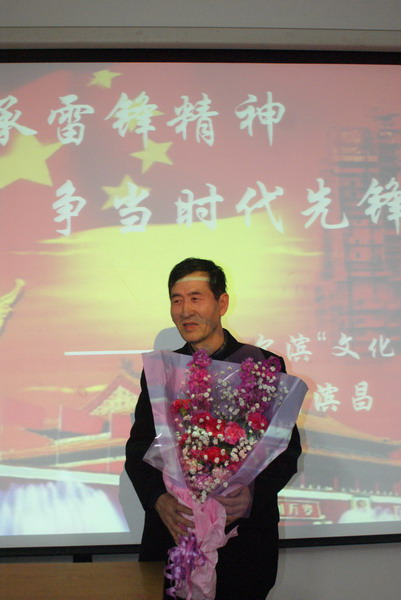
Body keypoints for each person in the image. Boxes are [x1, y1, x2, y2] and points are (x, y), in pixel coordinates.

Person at [125, 257, 302, 600]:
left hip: (243, 544)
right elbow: (139, 448)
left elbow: (286, 450)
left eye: (196, 298)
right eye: (177, 300)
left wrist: (251, 495)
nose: (185, 310)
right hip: (177, 538)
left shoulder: (261, 365)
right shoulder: (162, 371)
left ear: (222, 303)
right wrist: (158, 498)